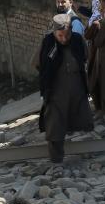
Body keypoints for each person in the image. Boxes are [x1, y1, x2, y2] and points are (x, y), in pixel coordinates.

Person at [37, 14, 93, 165]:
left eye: (66, 35)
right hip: (55, 91)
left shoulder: (77, 40)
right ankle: (56, 160)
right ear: (54, 32)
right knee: (55, 125)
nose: (64, 39)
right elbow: (38, 64)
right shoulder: (48, 43)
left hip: (77, 87)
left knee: (83, 117)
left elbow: (85, 56)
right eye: (60, 36)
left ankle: (88, 151)